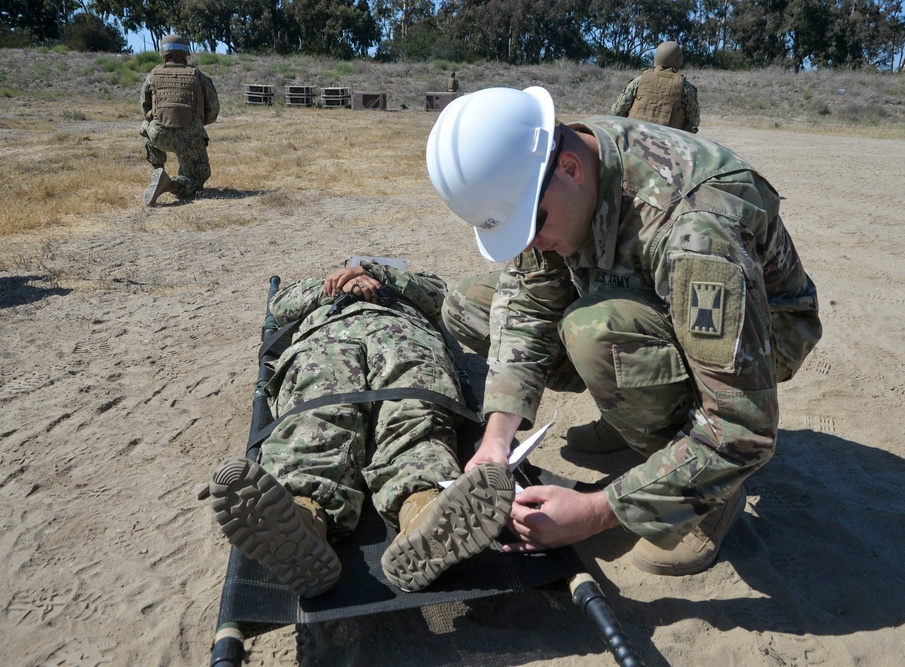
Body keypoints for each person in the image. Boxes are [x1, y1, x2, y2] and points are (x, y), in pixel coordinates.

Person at [425, 87, 821, 576]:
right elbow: (527, 303)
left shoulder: (698, 232)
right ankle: (636, 411)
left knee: (595, 331)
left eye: (532, 225)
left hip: (761, 333)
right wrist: (495, 439)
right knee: (472, 304)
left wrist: (595, 512)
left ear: (569, 168)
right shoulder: (557, 168)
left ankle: (705, 496)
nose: (530, 244)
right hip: (653, 292)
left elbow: (745, 429)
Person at [198, 259, 515, 596]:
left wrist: (378, 274)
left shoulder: (411, 281)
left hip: (403, 336)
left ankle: (423, 514)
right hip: (325, 341)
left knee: (414, 416)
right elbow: (281, 307)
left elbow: (441, 299)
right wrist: (331, 284)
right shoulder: (316, 284)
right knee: (316, 422)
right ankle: (302, 520)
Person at [140, 34, 220, 206]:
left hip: (160, 137)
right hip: (190, 138)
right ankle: (170, 184)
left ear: (163, 54)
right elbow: (213, 109)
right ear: (186, 54)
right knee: (196, 180)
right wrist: (196, 124)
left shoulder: (152, 75)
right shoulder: (198, 76)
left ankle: (158, 170)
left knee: (147, 125)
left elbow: (145, 108)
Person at [611, 41, 700, 133]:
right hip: (667, 141)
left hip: (635, 136)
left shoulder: (639, 80)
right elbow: (693, 122)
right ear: (677, 60)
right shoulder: (685, 87)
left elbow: (617, 111)